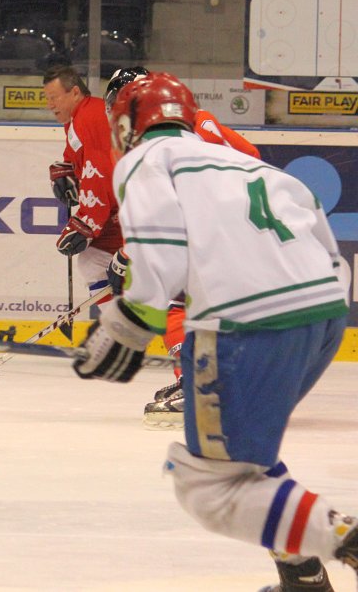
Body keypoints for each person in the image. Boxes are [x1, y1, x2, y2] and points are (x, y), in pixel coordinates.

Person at [73, 72, 356, 592]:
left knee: (210, 488)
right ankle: (303, 578)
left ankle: (345, 539)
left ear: (127, 126)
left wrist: (128, 327)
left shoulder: (144, 160)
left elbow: (161, 253)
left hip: (248, 323)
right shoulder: (247, 163)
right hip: (325, 315)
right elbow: (325, 245)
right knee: (247, 461)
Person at [102, 66, 263, 427]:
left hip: (218, 230)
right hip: (232, 228)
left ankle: (198, 385)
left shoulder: (160, 140)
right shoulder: (192, 123)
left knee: (173, 300)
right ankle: (209, 381)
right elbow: (250, 156)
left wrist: (128, 255)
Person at [41, 65, 122, 313]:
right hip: (122, 206)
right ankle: (121, 326)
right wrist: (68, 169)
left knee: (96, 262)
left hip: (130, 211)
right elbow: (80, 157)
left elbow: (99, 173)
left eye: (54, 98)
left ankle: (122, 329)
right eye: (47, 99)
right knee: (94, 261)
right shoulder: (80, 117)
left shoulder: (89, 119)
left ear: (75, 92)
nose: (50, 105)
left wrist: (87, 223)